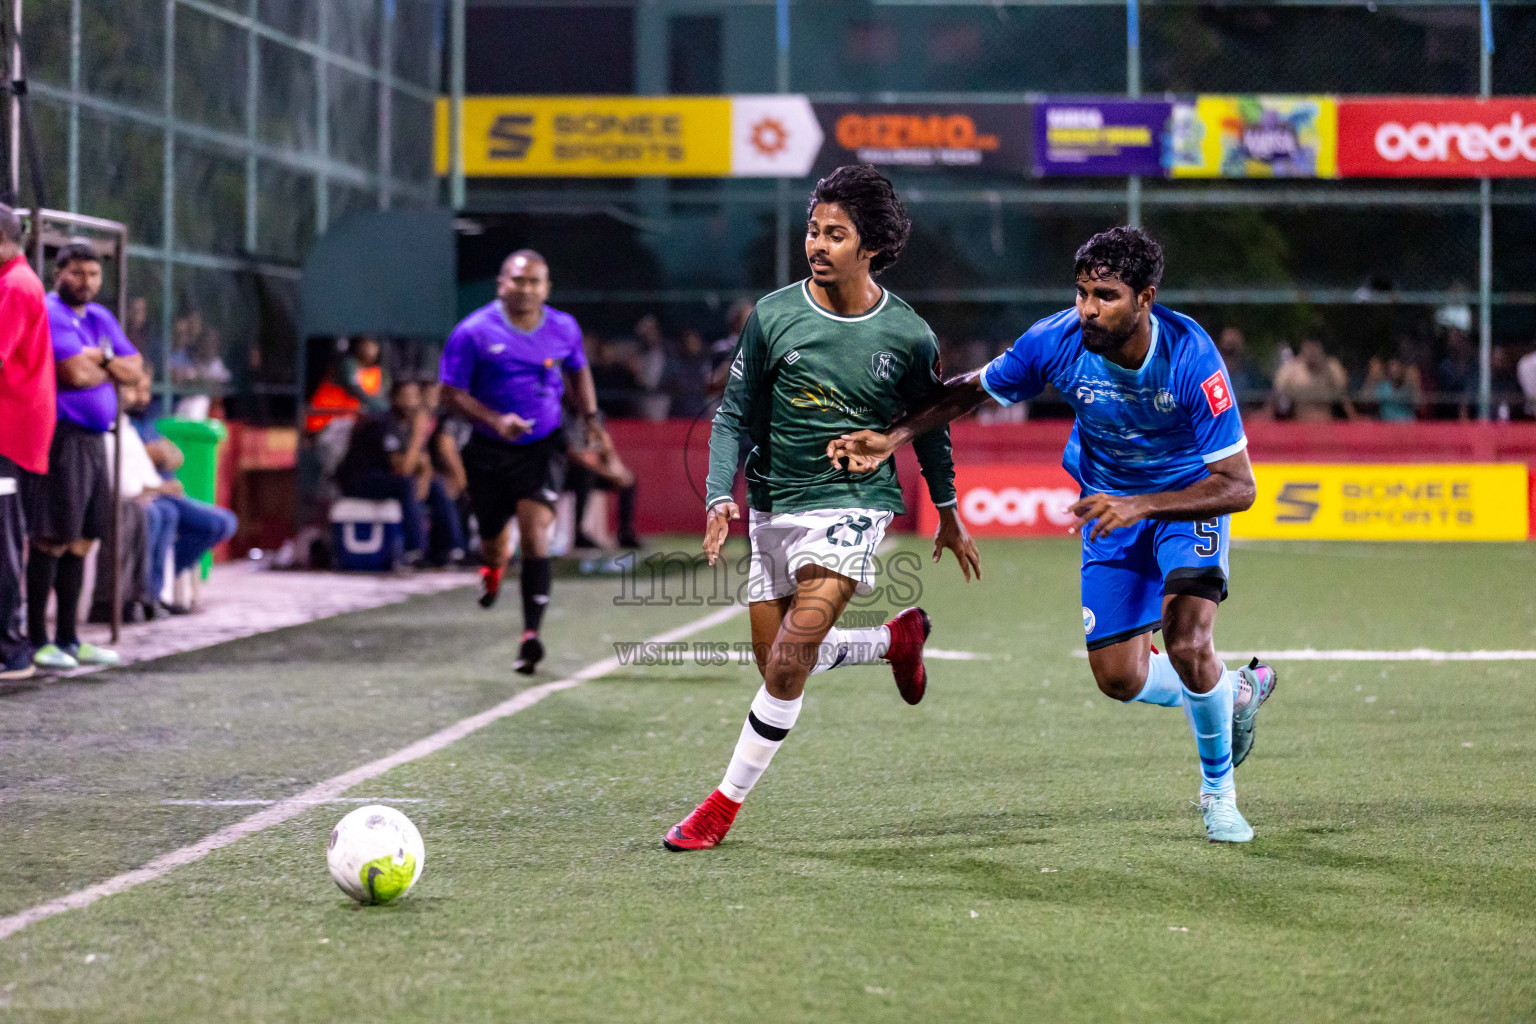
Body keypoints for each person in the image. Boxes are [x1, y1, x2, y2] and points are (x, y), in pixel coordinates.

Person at [830, 226, 1278, 844]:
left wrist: (1142, 504)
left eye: (1106, 296)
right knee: (1118, 678)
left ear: (1145, 298)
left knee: (1186, 638)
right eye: (1081, 293)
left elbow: (1240, 486)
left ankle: (1218, 795)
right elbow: (971, 390)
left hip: (1183, 504)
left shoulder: (1192, 357)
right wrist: (894, 437)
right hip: (1108, 510)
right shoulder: (1057, 340)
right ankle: (1235, 692)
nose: (1088, 309)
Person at [664, 165, 980, 853]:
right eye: (813, 230)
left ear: (869, 246)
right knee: (778, 663)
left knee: (787, 664)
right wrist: (721, 496)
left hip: (855, 503)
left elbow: (929, 420)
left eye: (835, 234)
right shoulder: (773, 316)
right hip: (775, 501)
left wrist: (948, 509)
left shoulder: (907, 335)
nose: (818, 243)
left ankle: (720, 808)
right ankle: (893, 641)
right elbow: (731, 417)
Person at [439, 249, 605, 675]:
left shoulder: (564, 327)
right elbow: (450, 394)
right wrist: (496, 420)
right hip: (487, 450)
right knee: (494, 543)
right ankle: (492, 569)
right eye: (518, 281)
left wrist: (590, 417)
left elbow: (578, 370)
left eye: (535, 282)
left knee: (535, 535)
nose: (526, 289)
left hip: (542, 446)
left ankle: (530, 636)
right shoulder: (472, 332)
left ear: (546, 288)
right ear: (502, 284)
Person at [25, 242, 143, 670]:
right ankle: (38, 639)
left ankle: (70, 639)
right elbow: (73, 374)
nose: (86, 282)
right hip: (63, 439)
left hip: (96, 441)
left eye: (93, 275)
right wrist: (106, 367)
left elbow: (135, 369)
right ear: (59, 272)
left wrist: (102, 358)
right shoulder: (51, 311)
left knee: (84, 539)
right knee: (53, 536)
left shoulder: (99, 318)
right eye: (77, 273)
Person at [124, 373, 239, 611]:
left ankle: (167, 573)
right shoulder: (125, 426)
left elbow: (175, 456)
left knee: (226, 521)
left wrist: (162, 456)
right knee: (195, 520)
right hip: (152, 494)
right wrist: (160, 461)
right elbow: (157, 458)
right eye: (138, 390)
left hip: (166, 491)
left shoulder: (146, 423)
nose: (144, 397)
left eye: (147, 391)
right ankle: (156, 587)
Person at [0, 204, 55, 679]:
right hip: (13, 431)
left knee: (3, 537)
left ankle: (11, 647)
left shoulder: (15, 286)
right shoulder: (18, 281)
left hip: (7, 434)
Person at [336, 379, 461, 567]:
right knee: (405, 484)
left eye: (414, 397)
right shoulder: (383, 423)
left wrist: (425, 481)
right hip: (360, 480)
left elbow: (423, 462)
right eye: (405, 397)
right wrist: (419, 436)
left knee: (437, 484)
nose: (410, 403)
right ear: (394, 399)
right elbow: (403, 469)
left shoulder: (409, 423)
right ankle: (414, 552)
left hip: (388, 478)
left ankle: (451, 551)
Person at [1273, 338, 1355, 422]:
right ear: (1302, 347)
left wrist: (1355, 422)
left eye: (1316, 346)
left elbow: (1343, 398)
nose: (1312, 350)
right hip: (1299, 424)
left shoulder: (1332, 368)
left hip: (1327, 424)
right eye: (1309, 346)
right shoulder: (1290, 370)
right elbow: (1276, 398)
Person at [1361, 353, 1421, 422]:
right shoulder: (1383, 387)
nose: (1395, 369)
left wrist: (1416, 383)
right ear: (1387, 369)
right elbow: (1365, 402)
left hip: (1408, 425)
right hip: (1388, 426)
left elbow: (1420, 407)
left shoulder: (1408, 386)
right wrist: (1371, 377)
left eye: (1397, 366)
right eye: (1392, 366)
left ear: (1402, 368)